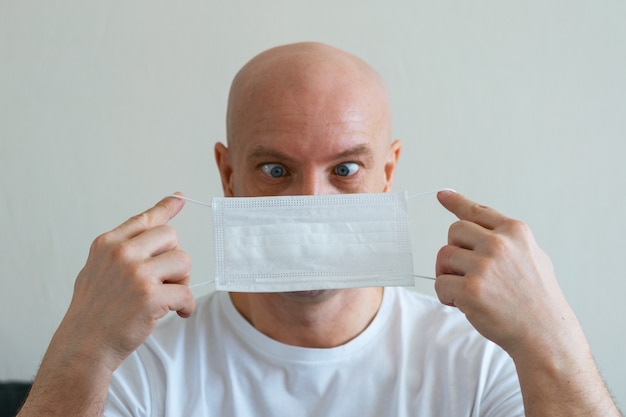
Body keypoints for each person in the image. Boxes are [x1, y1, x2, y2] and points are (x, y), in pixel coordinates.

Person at [18, 42, 621, 416]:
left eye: (346, 169)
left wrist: (553, 339)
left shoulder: (482, 360)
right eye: (275, 169)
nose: (310, 200)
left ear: (389, 172)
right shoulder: (141, 365)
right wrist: (80, 350)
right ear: (228, 175)